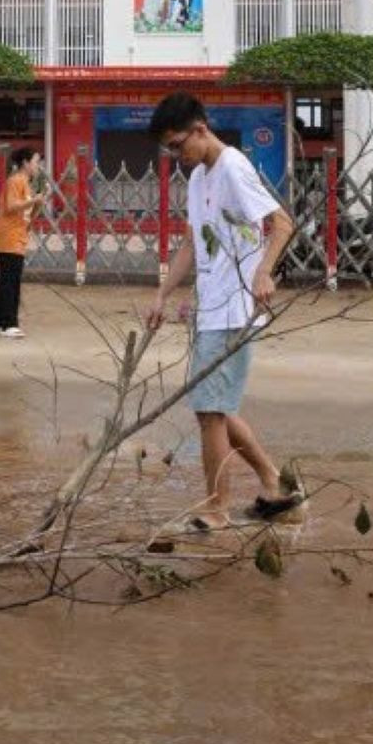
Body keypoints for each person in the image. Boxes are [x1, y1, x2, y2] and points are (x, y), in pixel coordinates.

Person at [144, 93, 301, 529]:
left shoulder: (233, 166)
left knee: (209, 410)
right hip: (210, 310)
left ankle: (217, 508)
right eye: (170, 150)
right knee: (218, 406)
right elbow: (192, 245)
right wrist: (161, 293)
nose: (177, 156)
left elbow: (282, 223)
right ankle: (274, 482)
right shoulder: (197, 180)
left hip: (235, 309)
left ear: (200, 129)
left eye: (178, 145)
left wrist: (263, 272)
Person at [0, 147, 42, 340]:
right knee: (11, 281)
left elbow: (26, 215)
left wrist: (36, 205)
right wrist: (33, 200)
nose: (38, 166)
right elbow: (11, 206)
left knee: (5, 280)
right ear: (25, 163)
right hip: (9, 238)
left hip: (16, 236)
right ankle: (8, 323)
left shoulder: (25, 183)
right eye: (35, 162)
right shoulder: (15, 181)